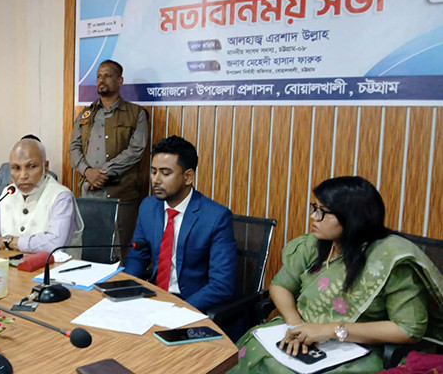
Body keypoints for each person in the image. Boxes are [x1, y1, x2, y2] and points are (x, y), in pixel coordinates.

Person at [230, 176, 443, 374]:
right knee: (254, 356)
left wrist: (331, 330)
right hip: (301, 331)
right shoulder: (314, 245)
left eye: (322, 212)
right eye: (314, 208)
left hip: (354, 348)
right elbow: (280, 285)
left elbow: (408, 329)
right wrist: (295, 325)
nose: (314, 217)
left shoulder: (390, 260)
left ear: (352, 218)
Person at [124, 136, 236, 312]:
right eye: (153, 172)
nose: (156, 180)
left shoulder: (216, 217)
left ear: (188, 177)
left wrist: (178, 310)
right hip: (153, 297)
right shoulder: (148, 207)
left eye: (165, 173)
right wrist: (125, 291)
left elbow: (222, 285)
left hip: (192, 303)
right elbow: (137, 257)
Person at [68, 59, 148, 261]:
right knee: (89, 248)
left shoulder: (136, 113)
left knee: (120, 251)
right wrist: (88, 172)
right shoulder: (86, 114)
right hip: (89, 192)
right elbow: (74, 148)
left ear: (120, 81)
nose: (101, 80)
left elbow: (136, 149)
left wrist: (103, 173)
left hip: (120, 193)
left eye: (107, 76)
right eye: (98, 76)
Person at [0, 138, 83, 254]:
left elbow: (54, 244)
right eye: (16, 168)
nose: (23, 175)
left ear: (45, 167)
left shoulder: (61, 197)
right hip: (11, 268)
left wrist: (9, 241)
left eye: (31, 167)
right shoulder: (8, 193)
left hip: (55, 270)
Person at [0, 134, 57, 206]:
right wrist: (9, 187)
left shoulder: (50, 177)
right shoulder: (5, 169)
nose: (23, 175)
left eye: (32, 166)